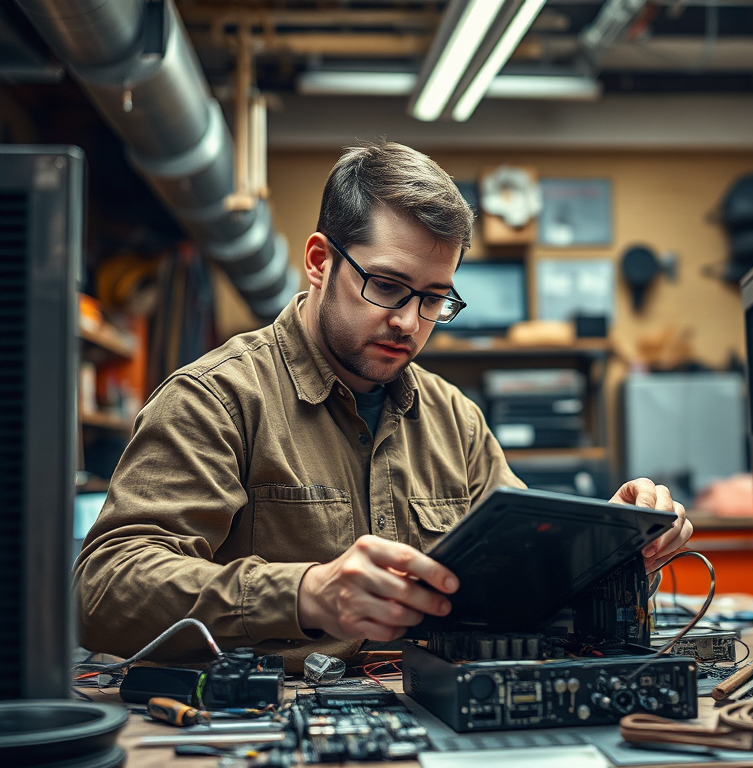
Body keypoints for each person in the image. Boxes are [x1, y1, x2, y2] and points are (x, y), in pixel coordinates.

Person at [75, 141, 693, 672]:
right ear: (320, 262)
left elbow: (525, 592)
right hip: (267, 723)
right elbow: (101, 593)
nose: (408, 322)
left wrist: (607, 551)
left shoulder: (458, 421)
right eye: (387, 286)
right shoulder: (218, 399)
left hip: (434, 711)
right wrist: (306, 593)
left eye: (434, 298)